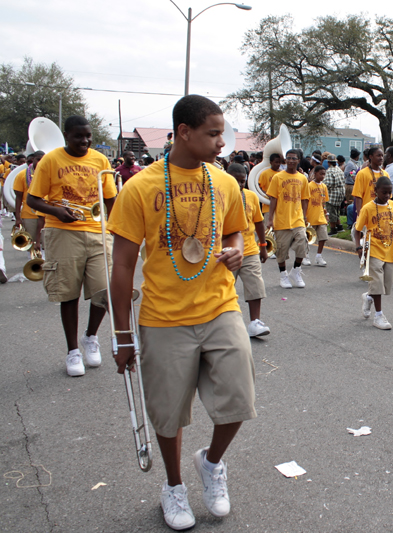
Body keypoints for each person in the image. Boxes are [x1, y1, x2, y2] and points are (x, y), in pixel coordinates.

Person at [107, 95, 254, 530]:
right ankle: (173, 487)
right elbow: (121, 265)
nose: (221, 142)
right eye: (213, 133)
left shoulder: (225, 182)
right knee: (169, 414)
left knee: (238, 400)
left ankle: (210, 463)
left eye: (221, 133)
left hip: (220, 307)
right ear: (184, 132)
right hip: (163, 317)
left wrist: (235, 252)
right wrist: (121, 335)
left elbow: (237, 234)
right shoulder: (139, 187)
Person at [27, 116, 117, 377]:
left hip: (97, 232)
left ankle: (90, 337)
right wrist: (56, 210)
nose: (85, 141)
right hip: (63, 230)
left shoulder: (100, 160)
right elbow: (33, 199)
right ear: (67, 136)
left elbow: (110, 199)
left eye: (88, 136)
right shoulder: (51, 160)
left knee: (103, 291)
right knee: (69, 294)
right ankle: (72, 351)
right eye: (79, 136)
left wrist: (118, 229)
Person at [354, 176, 393, 329]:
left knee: (386, 285)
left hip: (389, 250)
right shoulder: (367, 208)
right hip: (373, 249)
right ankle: (378, 316)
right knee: (377, 283)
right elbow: (357, 230)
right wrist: (358, 248)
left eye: (389, 192)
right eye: (384, 192)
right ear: (376, 191)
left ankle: (368, 296)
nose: (387, 196)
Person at [227, 163, 271, 337]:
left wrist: (262, 246)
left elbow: (258, 222)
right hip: (227, 251)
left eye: (242, 181)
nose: (239, 184)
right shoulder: (219, 196)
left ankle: (254, 323)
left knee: (255, 285)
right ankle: (226, 323)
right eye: (235, 181)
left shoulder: (251, 197)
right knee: (225, 288)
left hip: (250, 250)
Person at [267, 149, 310, 288]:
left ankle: (296, 271)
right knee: (281, 251)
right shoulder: (278, 177)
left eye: (294, 158)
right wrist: (270, 219)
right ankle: (283, 275)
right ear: (285, 160)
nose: (291, 160)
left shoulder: (303, 178)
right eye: (289, 158)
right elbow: (273, 199)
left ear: (298, 160)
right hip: (281, 219)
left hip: (297, 219)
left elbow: (304, 199)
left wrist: (304, 215)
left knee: (302, 243)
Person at [13, 150, 45, 251]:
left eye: (42, 160)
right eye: (38, 159)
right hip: (28, 215)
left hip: (46, 215)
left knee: (45, 243)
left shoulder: (48, 174)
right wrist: (18, 217)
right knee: (30, 243)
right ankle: (32, 263)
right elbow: (18, 198)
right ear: (32, 160)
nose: (40, 162)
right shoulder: (22, 175)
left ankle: (43, 264)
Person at [352, 147, 388, 219]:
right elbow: (358, 195)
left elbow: (388, 197)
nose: (381, 158)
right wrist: (359, 214)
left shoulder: (385, 174)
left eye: (382, 156)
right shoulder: (362, 174)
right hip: (367, 212)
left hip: (382, 213)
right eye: (378, 155)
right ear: (371, 156)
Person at [308, 165, 330, 266]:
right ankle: (305, 255)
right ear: (315, 173)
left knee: (323, 236)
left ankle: (318, 256)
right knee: (308, 237)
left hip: (320, 216)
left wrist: (326, 214)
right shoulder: (309, 186)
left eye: (324, 174)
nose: (322, 176)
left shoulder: (323, 186)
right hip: (310, 215)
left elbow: (324, 202)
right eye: (320, 174)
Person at [324, 153, 345, 232]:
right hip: (340, 193)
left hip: (332, 194)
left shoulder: (329, 171)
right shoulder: (339, 169)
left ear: (328, 162)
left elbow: (328, 184)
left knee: (331, 212)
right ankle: (339, 226)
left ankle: (333, 229)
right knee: (336, 211)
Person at [259, 153, 283, 217]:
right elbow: (259, 188)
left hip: (280, 206)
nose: (278, 164)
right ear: (271, 162)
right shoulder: (265, 173)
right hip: (268, 206)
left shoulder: (282, 174)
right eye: (276, 162)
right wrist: (268, 195)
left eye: (279, 162)